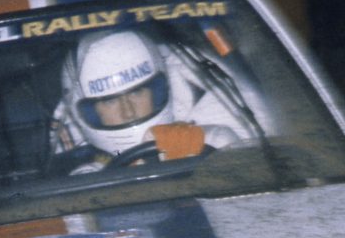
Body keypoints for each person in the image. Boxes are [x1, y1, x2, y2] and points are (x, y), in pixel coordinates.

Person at [50, 29, 249, 172]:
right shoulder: (82, 172)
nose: (128, 111)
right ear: (89, 112)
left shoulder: (209, 137)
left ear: (158, 90)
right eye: (110, 101)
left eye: (137, 93)